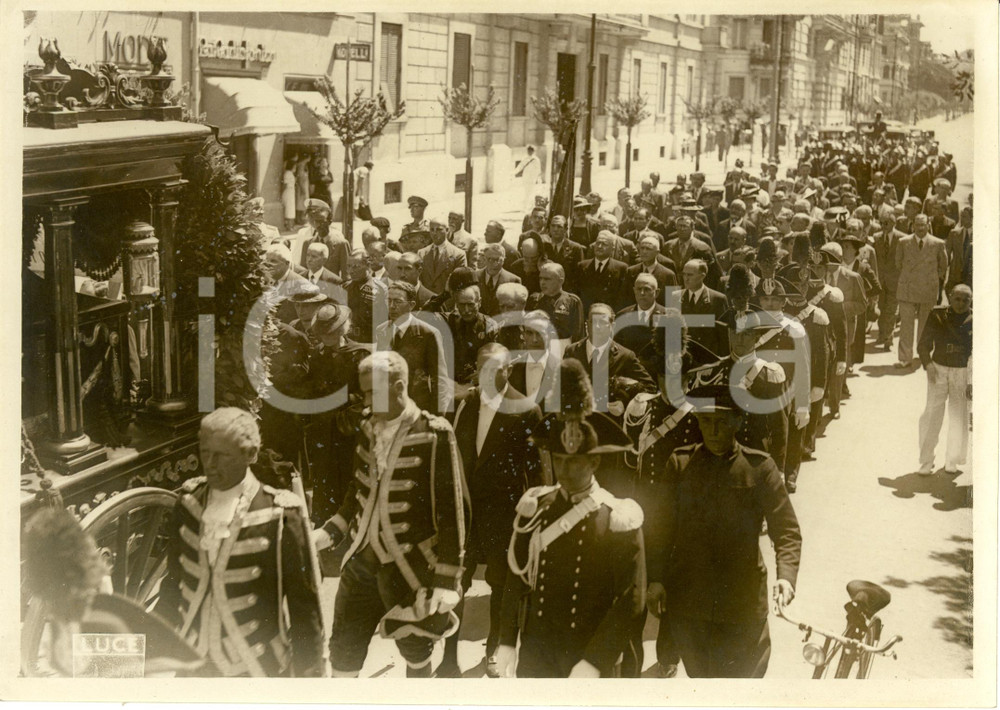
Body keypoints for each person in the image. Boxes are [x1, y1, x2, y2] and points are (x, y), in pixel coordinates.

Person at [314, 351, 467, 678]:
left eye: (374, 392)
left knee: (416, 655)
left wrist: (447, 579)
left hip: (410, 570)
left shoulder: (435, 433)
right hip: (360, 567)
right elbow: (357, 493)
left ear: (399, 387)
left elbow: (453, 511)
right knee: (342, 655)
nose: (367, 402)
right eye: (364, 393)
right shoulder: (367, 428)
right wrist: (329, 532)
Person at [493, 359, 645, 678]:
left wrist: (596, 660)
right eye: (559, 460)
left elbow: (630, 599)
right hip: (538, 652)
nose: (564, 470)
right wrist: (506, 640)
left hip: (587, 655)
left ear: (594, 463)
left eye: (575, 462)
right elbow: (516, 579)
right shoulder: (535, 507)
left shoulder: (616, 516)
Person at [644, 383, 801, 678]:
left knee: (746, 680)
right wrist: (656, 579)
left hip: (743, 602)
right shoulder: (681, 464)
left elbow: (786, 530)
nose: (713, 431)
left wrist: (786, 577)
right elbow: (660, 529)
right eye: (706, 421)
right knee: (702, 681)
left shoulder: (760, 468)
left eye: (721, 422)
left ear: (738, 422)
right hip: (692, 603)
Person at [155, 408, 325, 677]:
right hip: (194, 666)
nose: (210, 464)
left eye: (222, 455)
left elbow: (305, 611)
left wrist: (309, 683)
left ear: (251, 454)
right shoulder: (188, 503)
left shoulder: (281, 515)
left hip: (256, 668)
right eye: (205, 452)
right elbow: (172, 588)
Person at [441, 343, 543, 677]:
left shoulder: (525, 410)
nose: (486, 375)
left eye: (494, 369)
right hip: (466, 514)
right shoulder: (467, 404)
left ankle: (493, 650)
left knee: (501, 584)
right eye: (481, 368)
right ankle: (448, 656)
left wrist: (531, 519)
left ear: (508, 370)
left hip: (504, 515)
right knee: (455, 582)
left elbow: (536, 474)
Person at [305, 304, 371, 523]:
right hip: (323, 430)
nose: (327, 337)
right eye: (323, 333)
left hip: (347, 430)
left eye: (331, 332)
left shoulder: (359, 355)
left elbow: (367, 395)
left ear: (343, 329)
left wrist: (346, 406)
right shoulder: (316, 355)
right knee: (324, 477)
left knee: (348, 477)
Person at [564, 303, 657, 420]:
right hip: (577, 421)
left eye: (603, 322)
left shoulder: (625, 356)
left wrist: (625, 403)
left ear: (612, 325)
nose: (597, 327)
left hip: (608, 424)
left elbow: (649, 387)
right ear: (587, 324)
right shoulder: (572, 351)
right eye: (593, 322)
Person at [916, 284, 972, 475]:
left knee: (958, 415)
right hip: (938, 369)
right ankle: (926, 460)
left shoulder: (975, 319)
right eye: (957, 299)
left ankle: (952, 459)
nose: (961, 303)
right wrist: (928, 365)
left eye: (966, 300)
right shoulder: (937, 315)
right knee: (931, 414)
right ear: (949, 297)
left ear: (971, 301)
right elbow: (923, 345)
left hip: (961, 371)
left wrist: (972, 378)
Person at [374, 281, 444, 413]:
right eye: (388, 300)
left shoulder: (428, 334)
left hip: (417, 408)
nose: (392, 306)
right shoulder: (382, 330)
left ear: (411, 305)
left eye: (398, 301)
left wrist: (436, 417)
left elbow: (440, 381)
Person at [894, 214, 947, 369]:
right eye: (917, 224)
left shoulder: (938, 243)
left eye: (923, 224)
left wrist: (930, 278)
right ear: (913, 226)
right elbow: (898, 263)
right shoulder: (903, 242)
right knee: (906, 325)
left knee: (925, 325)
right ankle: (905, 358)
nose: (920, 228)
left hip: (928, 289)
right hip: (907, 289)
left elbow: (943, 266)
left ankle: (923, 355)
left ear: (928, 225)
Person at [675, 258, 728, 358]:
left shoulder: (717, 299)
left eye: (690, 275)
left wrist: (722, 360)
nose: (686, 278)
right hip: (681, 357)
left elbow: (723, 334)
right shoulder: (675, 297)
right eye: (684, 274)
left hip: (707, 357)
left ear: (702, 276)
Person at [525, 262, 585, 346]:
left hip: (563, 347)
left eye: (547, 279)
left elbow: (578, 335)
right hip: (539, 346)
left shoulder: (572, 301)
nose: (542, 282)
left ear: (561, 281)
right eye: (540, 278)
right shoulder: (534, 300)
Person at [297, 199, 350, 281]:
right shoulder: (307, 243)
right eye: (316, 221)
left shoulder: (341, 244)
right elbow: (303, 272)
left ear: (329, 221)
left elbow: (346, 275)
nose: (318, 225)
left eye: (322, 221)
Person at [577, 231, 629, 313]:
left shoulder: (621, 268)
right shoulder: (582, 266)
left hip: (610, 313)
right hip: (587, 313)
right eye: (598, 243)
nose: (599, 246)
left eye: (604, 244)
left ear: (612, 248)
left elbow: (622, 296)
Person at [418, 214, 468, 295]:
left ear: (447, 230)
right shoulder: (421, 253)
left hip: (447, 301)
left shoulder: (458, 254)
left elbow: (461, 284)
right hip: (425, 301)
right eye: (432, 229)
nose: (434, 233)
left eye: (439, 230)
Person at [477, 242, 522, 317]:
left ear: (504, 260)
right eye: (490, 259)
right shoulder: (474, 276)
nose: (495, 264)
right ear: (484, 259)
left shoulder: (514, 280)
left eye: (498, 260)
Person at [944, 206, 973, 292]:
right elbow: (947, 254)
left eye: (965, 216)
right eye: (961, 216)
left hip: (971, 274)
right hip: (955, 274)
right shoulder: (954, 233)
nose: (962, 219)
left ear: (972, 218)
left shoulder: (979, 234)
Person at [514, 145, 542, 212]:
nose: (529, 152)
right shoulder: (525, 158)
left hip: (532, 178)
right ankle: (527, 206)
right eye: (528, 150)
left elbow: (538, 170)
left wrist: (537, 178)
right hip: (526, 177)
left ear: (533, 151)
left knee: (531, 191)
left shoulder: (536, 159)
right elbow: (520, 166)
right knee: (527, 191)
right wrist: (514, 172)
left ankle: (530, 206)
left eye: (531, 150)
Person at [282, 158, 297, 231]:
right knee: (288, 209)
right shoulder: (287, 173)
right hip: (288, 192)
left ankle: (290, 225)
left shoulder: (290, 173)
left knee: (291, 209)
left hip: (291, 192)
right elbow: (285, 184)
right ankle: (288, 226)